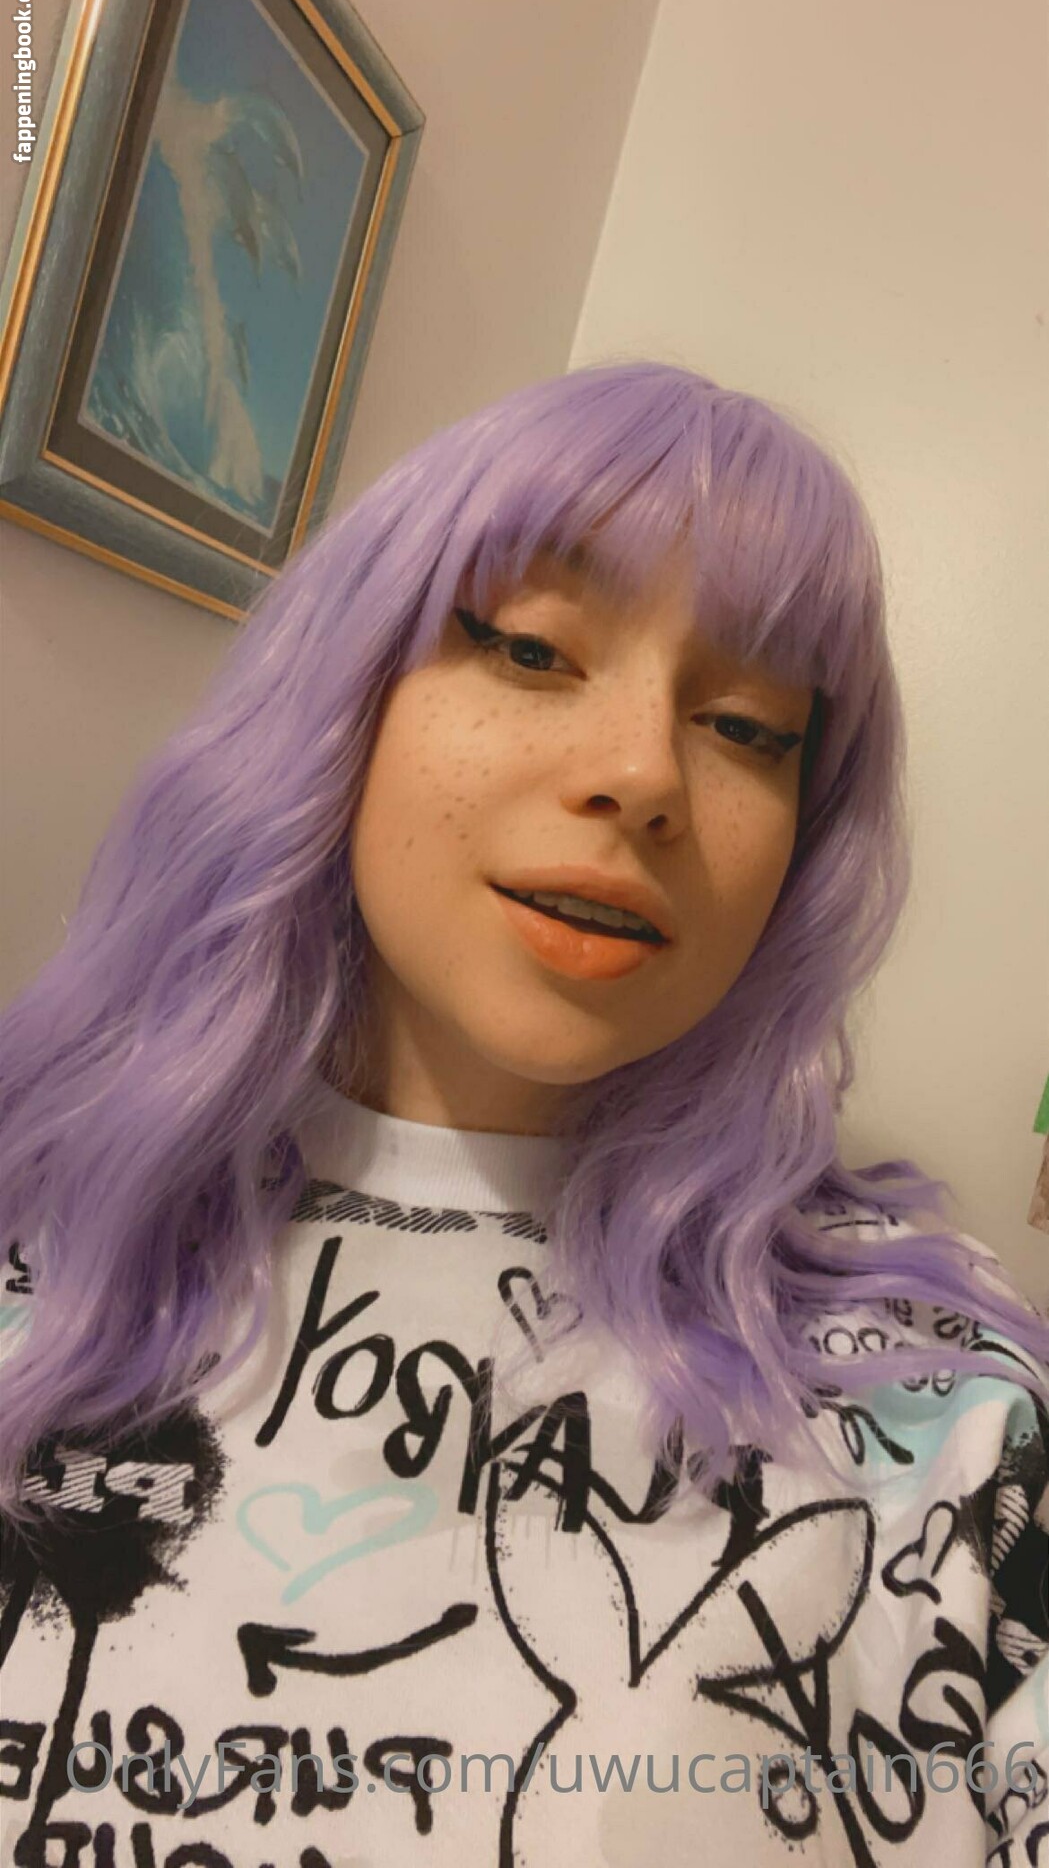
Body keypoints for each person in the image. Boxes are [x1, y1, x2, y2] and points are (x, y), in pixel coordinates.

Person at [0, 361, 1046, 1868]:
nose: (644, 775)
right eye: (535, 650)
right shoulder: (41, 1238)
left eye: (749, 725)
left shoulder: (943, 1410)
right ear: (345, 699)